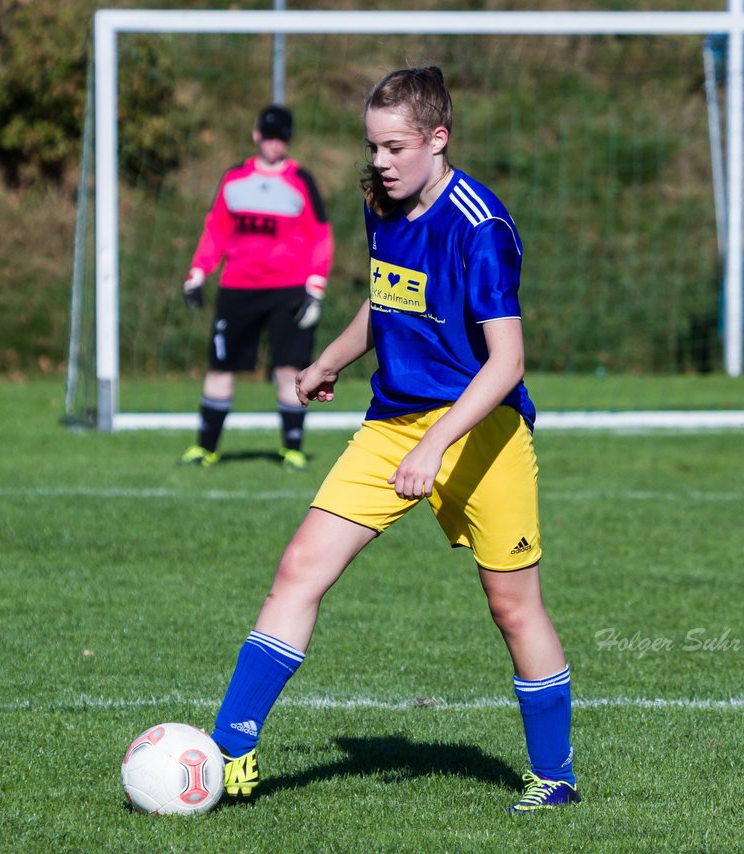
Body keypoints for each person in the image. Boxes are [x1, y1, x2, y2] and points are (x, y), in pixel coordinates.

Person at [208, 67, 579, 813]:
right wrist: (326, 362)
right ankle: (230, 750)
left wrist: (436, 444)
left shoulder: (481, 229)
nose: (379, 161)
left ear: (437, 139)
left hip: (481, 428)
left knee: (512, 607)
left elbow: (508, 363)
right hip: (392, 424)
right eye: (372, 145)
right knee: (299, 567)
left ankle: (555, 779)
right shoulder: (382, 202)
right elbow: (387, 299)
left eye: (395, 146)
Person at [178, 104, 334, 472]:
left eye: (281, 137)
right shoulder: (234, 178)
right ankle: (205, 449)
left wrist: (316, 287)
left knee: (288, 369)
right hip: (238, 288)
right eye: (269, 136)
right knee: (220, 367)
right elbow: (216, 229)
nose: (274, 143)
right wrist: (198, 272)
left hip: (289, 290)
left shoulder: (302, 181)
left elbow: (320, 237)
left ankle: (292, 449)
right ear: (256, 135)